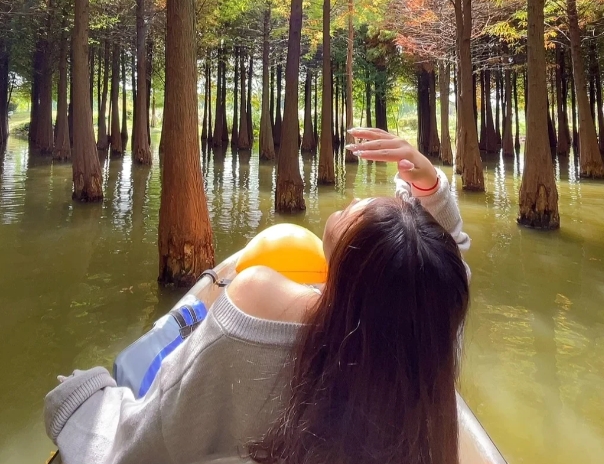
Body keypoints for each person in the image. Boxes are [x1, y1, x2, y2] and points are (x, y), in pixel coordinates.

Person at [44, 128, 470, 464]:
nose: (357, 198)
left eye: (358, 212)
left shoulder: (254, 301)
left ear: (353, 266)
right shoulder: (432, 330)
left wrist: (82, 400)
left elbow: (147, 440)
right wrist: (430, 185)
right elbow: (443, 262)